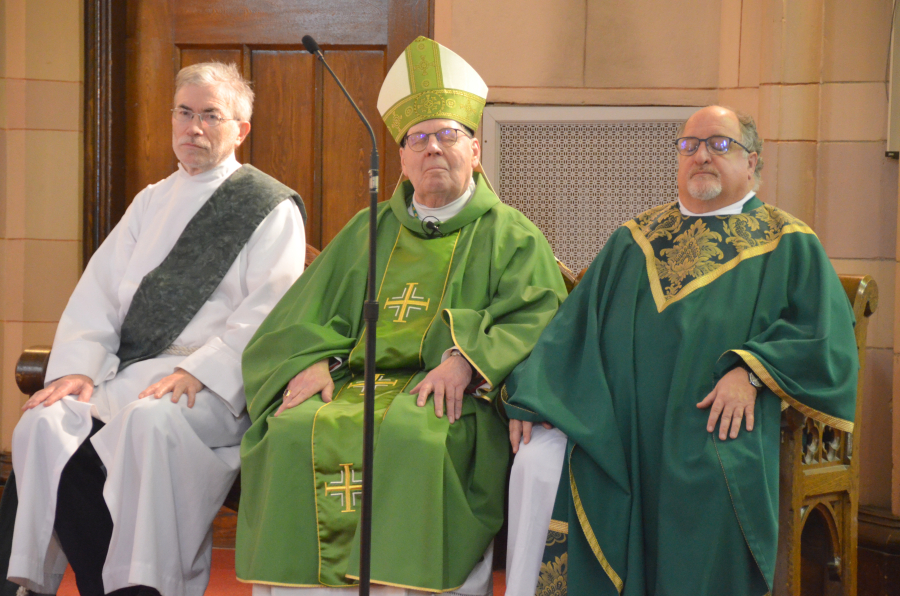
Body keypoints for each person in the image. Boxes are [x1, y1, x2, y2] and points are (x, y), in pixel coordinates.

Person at [236, 36, 567, 595]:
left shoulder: (511, 233)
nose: (433, 149)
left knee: (418, 440)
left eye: (447, 135)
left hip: (452, 394)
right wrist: (314, 360)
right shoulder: (369, 228)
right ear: (402, 158)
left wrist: (468, 361)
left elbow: (538, 316)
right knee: (292, 431)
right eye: (419, 139)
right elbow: (305, 312)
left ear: (476, 149)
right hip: (353, 382)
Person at [502, 105, 859, 596]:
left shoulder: (788, 242)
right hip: (620, 424)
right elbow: (573, 327)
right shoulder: (636, 238)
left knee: (707, 481)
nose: (701, 156)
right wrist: (529, 395)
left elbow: (822, 339)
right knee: (542, 463)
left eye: (719, 144)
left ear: (753, 162)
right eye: (689, 145)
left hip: (714, 424)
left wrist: (752, 371)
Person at [6, 62, 307, 596]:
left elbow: (271, 310)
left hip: (215, 387)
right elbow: (97, 294)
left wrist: (204, 369)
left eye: (210, 115)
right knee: (44, 425)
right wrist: (79, 369)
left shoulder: (269, 207)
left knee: (148, 424)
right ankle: (97, 584)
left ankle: (147, 586)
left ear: (241, 129)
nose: (193, 127)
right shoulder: (150, 200)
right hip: (136, 371)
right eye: (184, 112)